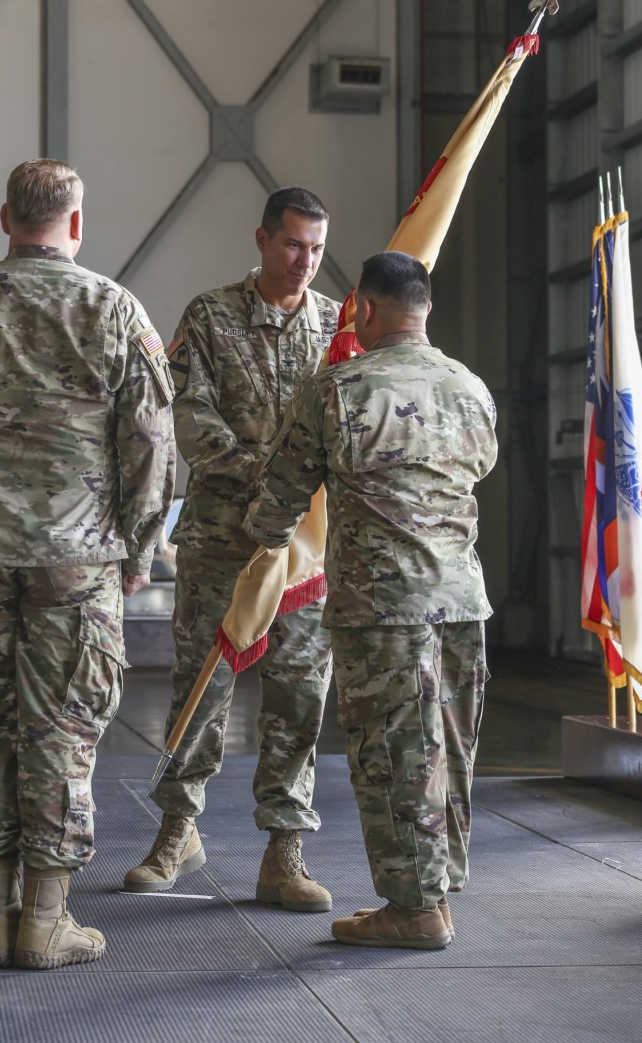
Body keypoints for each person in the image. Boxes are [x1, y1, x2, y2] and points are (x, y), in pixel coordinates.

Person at [0, 159, 176, 970]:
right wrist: (140, 548)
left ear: (6, 217)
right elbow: (152, 446)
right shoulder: (112, 308)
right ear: (74, 224)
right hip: (76, 557)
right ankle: (46, 921)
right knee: (63, 729)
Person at [244, 251, 497, 949]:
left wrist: (260, 534)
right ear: (426, 309)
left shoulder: (336, 391)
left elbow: (276, 509)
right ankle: (436, 894)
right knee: (447, 750)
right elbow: (479, 469)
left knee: (392, 756)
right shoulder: (470, 388)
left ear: (363, 308)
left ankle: (411, 911)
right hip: (463, 602)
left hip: (382, 606)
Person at [123, 187, 340, 911]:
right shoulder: (211, 317)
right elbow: (189, 417)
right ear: (261, 239)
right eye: (291, 245)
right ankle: (177, 832)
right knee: (200, 687)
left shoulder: (340, 328)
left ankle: (285, 851)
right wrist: (270, 476)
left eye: (315, 248)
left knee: (299, 697)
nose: (304, 261)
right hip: (224, 539)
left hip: (304, 553)